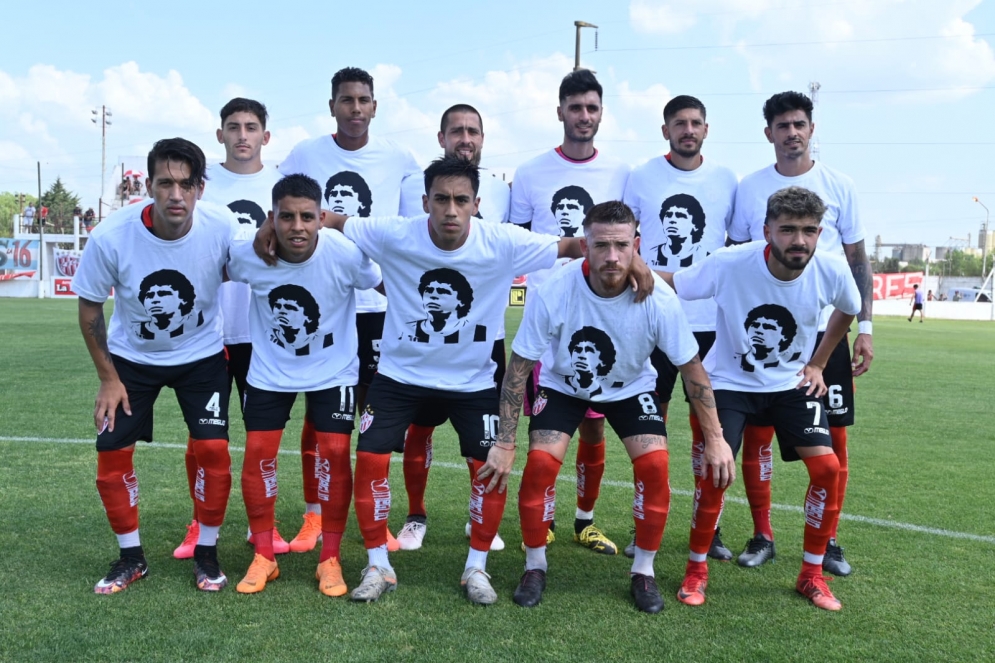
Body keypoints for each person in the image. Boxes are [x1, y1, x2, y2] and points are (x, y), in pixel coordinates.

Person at [294, 156, 650, 604]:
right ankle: (377, 565)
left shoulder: (499, 241)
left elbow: (574, 247)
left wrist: (636, 263)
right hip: (400, 376)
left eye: (461, 200)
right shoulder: (395, 232)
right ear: (425, 201)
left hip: (474, 380)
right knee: (369, 458)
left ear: (476, 204)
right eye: (441, 199)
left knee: (491, 470)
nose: (450, 210)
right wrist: (273, 228)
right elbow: (331, 219)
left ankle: (475, 568)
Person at [482, 201, 734, 613]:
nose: (612, 256)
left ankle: (644, 572)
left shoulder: (659, 297)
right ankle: (534, 565)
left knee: (655, 467)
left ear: (636, 244)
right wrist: (505, 441)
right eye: (601, 245)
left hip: (631, 388)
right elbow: (518, 368)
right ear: (585, 245)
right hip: (563, 385)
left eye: (621, 245)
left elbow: (693, 370)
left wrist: (716, 439)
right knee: (541, 466)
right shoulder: (554, 291)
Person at [669, 186, 861, 611]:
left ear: (819, 231)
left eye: (809, 230)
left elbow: (849, 307)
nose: (800, 241)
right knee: (715, 472)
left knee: (828, 468)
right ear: (767, 230)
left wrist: (818, 362)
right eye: (788, 229)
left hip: (789, 384)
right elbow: (676, 284)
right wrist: (629, 270)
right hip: (729, 384)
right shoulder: (730, 263)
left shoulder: (829, 268)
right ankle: (696, 570)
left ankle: (811, 575)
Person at [72, 137, 238, 594]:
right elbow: (89, 309)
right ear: (148, 185)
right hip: (131, 361)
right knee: (111, 455)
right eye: (165, 183)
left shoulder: (222, 226)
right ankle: (131, 557)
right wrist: (108, 378)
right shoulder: (111, 235)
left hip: (202, 357)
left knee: (212, 452)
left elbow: (259, 264)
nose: (176, 194)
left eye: (186, 184)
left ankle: (206, 552)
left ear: (201, 188)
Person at [726, 91, 874, 576]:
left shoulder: (841, 184)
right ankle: (762, 533)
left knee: (833, 439)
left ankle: (828, 540)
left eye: (800, 124)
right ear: (768, 132)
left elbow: (856, 261)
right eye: (783, 125)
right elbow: (734, 259)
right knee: (758, 438)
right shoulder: (748, 188)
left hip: (824, 332)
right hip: (763, 337)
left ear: (812, 129)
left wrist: (865, 327)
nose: (793, 132)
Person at [278, 66, 421, 554]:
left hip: (379, 302)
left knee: (372, 415)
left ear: (375, 106)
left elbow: (408, 231)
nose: (355, 108)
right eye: (346, 100)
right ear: (332, 105)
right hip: (324, 301)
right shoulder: (305, 155)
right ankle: (314, 516)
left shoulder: (399, 158)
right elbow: (279, 211)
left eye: (363, 100)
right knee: (317, 415)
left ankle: (373, 519)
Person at [227, 174, 381, 595]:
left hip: (333, 370)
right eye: (287, 217)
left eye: (307, 217)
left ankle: (329, 559)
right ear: (271, 217)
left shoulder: (346, 254)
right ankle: (264, 555)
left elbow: (381, 285)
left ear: (321, 217)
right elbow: (216, 268)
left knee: (333, 451)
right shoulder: (250, 254)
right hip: (269, 371)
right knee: (259, 452)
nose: (297, 226)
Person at [509, 69, 631, 555]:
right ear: (559, 111)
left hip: (603, 317)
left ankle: (585, 519)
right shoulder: (532, 172)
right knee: (546, 424)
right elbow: (519, 242)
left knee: (595, 422)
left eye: (592, 108)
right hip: (548, 319)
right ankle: (548, 517)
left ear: (601, 113)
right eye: (576, 108)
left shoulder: (621, 173)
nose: (584, 117)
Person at [623, 94, 738, 561]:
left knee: (707, 431)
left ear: (706, 129)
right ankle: (642, 527)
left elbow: (739, 247)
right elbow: (626, 239)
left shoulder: (726, 180)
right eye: (679, 123)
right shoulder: (643, 177)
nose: (687, 130)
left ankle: (709, 530)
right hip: (651, 318)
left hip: (710, 324)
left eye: (695, 123)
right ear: (665, 130)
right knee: (649, 432)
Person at [171, 99, 287, 561]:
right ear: (219, 134)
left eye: (252, 127)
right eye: (233, 127)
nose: (242, 135)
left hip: (262, 334)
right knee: (202, 439)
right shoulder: (201, 185)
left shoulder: (280, 184)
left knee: (263, 440)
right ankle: (199, 522)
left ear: (265, 136)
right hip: (208, 334)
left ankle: (267, 526)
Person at [395, 104, 511, 553]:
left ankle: (478, 519)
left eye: (473, 131)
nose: (466, 138)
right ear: (441, 136)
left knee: (480, 434)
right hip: (427, 339)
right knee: (418, 431)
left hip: (484, 338)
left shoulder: (500, 191)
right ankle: (416, 515)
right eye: (457, 131)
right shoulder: (411, 189)